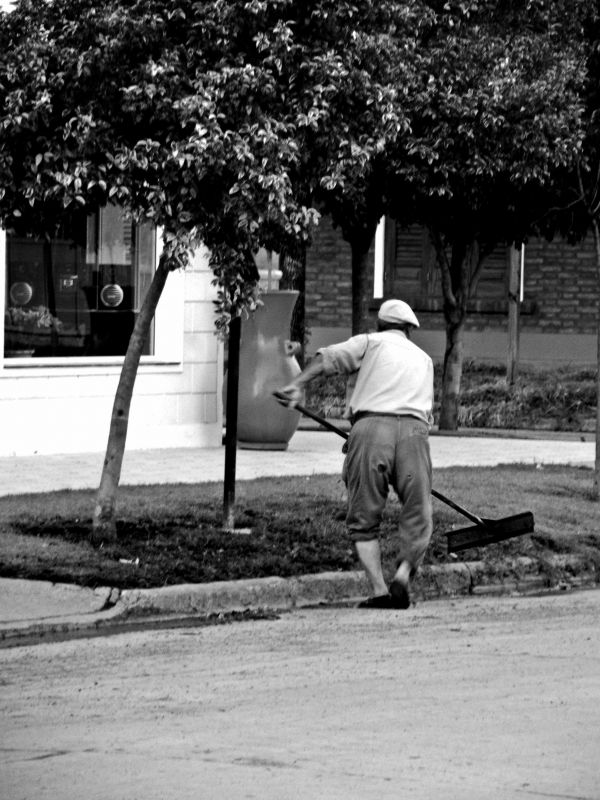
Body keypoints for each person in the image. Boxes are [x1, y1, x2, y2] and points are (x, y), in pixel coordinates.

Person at [278, 299, 434, 609]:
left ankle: (379, 591)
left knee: (364, 516)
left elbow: (327, 359)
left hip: (371, 429)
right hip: (415, 435)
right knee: (418, 509)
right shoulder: (424, 359)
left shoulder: (370, 342)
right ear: (408, 330)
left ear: (380, 325)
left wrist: (296, 384)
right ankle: (402, 575)